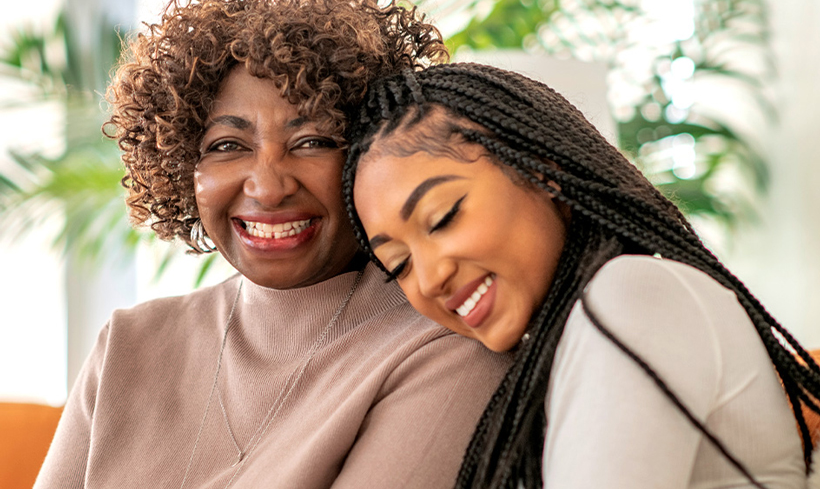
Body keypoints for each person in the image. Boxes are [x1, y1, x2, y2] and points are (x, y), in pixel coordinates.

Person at [34, 0, 511, 489]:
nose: (267, 186)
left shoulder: (445, 345)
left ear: (370, 154)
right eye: (225, 146)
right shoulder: (128, 348)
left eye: (312, 140)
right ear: (179, 167)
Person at [343, 62, 820, 488]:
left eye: (443, 217)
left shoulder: (632, 295)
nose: (428, 279)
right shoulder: (566, 342)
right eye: (398, 265)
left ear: (541, 168)